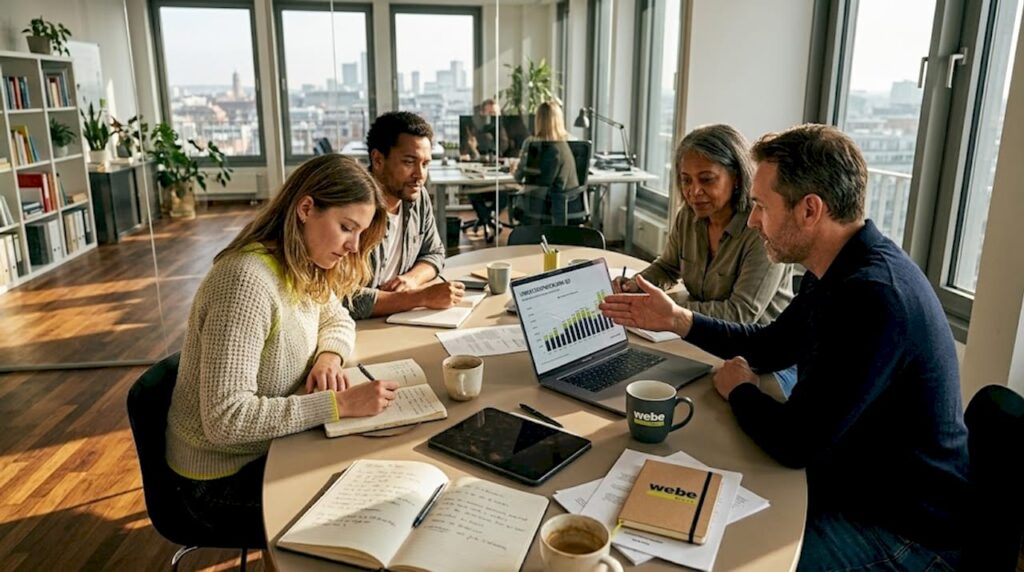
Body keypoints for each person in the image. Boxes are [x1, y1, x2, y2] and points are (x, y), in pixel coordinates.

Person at [600, 124, 968, 570]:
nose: (753, 220)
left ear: (809, 210)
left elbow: (796, 443)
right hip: (850, 485)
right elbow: (770, 345)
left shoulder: (873, 298)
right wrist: (677, 320)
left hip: (899, 530)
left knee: (722, 556)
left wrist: (739, 389)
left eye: (760, 206)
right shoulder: (840, 267)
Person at [165, 154, 400, 547]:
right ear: (306, 208)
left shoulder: (301, 263)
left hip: (277, 448)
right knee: (372, 519)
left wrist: (329, 357)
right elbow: (226, 420)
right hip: (218, 482)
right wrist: (339, 405)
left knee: (384, 481)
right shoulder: (245, 282)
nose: (353, 246)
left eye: (359, 233)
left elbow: (337, 318)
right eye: (346, 227)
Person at [613, 125, 795, 395]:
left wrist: (668, 310)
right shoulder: (688, 216)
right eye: (686, 180)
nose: (693, 191)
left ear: (735, 177)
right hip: (703, 344)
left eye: (706, 180)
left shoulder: (760, 228)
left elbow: (741, 314)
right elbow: (668, 266)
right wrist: (639, 285)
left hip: (761, 360)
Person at [346, 111, 465, 319]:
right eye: (409, 162)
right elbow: (341, 298)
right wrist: (418, 297)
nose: (420, 175)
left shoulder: (418, 198)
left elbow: (434, 253)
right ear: (378, 160)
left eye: (425, 164)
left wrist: (411, 279)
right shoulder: (350, 209)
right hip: (362, 329)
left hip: (399, 318)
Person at [511, 100, 580, 225]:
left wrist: (514, 171)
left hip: (538, 206)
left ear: (538, 120)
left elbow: (519, 178)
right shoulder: (572, 141)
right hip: (570, 203)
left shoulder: (531, 143)